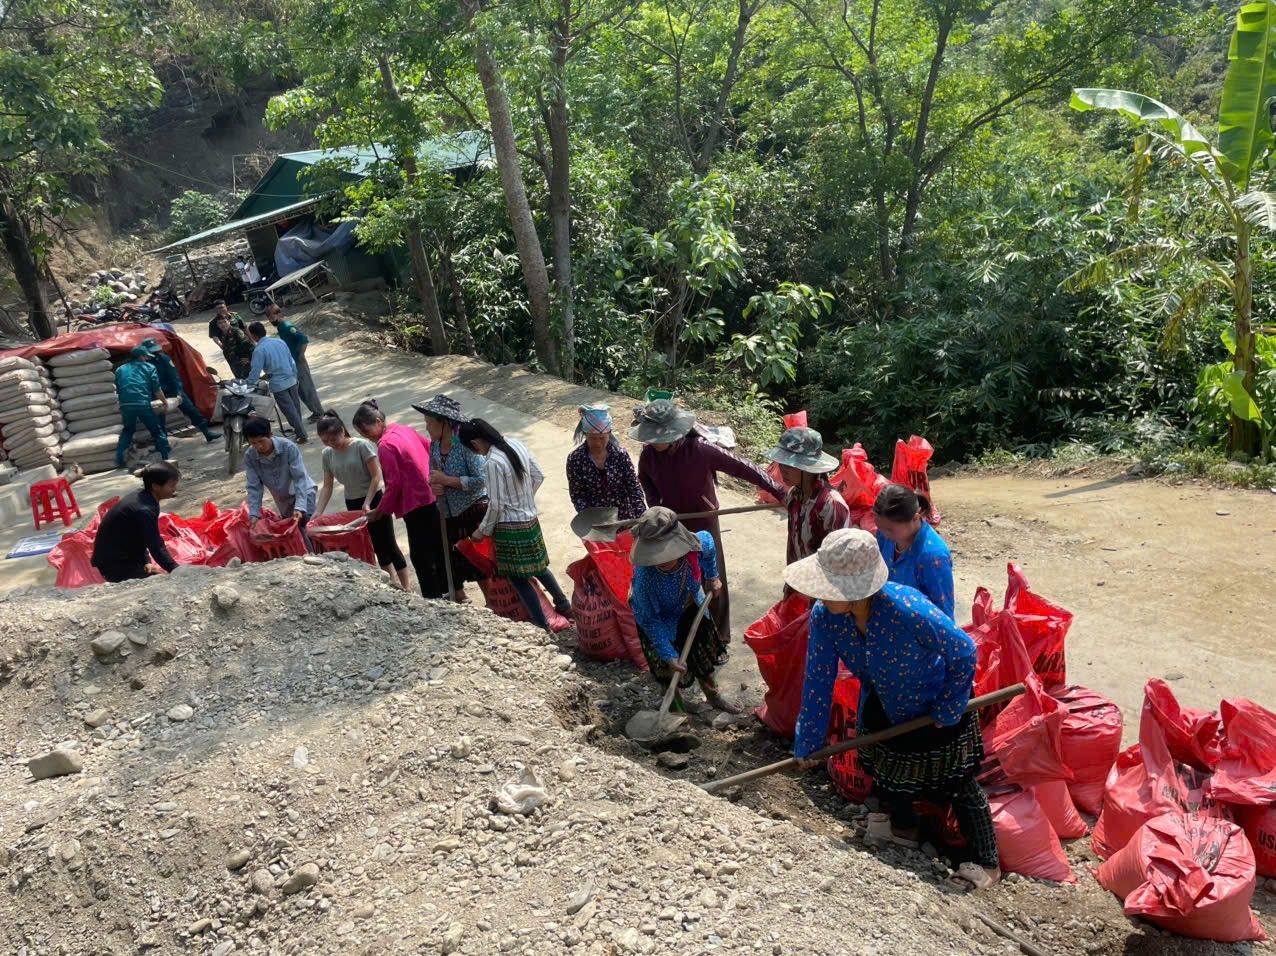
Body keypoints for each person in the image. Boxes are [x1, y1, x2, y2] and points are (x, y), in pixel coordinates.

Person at [787, 529, 998, 891]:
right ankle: (905, 831)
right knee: (888, 775)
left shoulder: (906, 609)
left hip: (936, 704)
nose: (819, 593)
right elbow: (818, 680)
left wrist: (949, 707)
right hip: (885, 703)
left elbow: (963, 651)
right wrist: (808, 741)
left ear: (856, 591)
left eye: (828, 586)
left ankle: (987, 862)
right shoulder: (825, 617)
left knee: (958, 784)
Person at [631, 399, 783, 649]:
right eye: (651, 438)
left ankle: (719, 635)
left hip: (703, 519)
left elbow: (743, 468)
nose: (655, 442)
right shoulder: (648, 455)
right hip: (672, 525)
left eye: (660, 437)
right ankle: (685, 635)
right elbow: (645, 479)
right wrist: (656, 502)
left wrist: (778, 491)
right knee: (680, 576)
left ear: (674, 431)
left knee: (712, 576)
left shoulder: (700, 449)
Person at [459, 418, 572, 630]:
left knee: (517, 578)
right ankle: (564, 605)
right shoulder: (516, 443)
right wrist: (525, 498)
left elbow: (497, 505)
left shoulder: (492, 462)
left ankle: (543, 625)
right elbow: (539, 475)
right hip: (529, 520)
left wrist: (481, 531)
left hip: (509, 527)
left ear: (475, 443)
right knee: (539, 567)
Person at [628, 507, 738, 713]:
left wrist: (712, 577)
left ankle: (713, 696)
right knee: (667, 667)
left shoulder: (695, 545)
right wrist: (669, 655)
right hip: (658, 620)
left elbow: (709, 542)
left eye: (667, 552)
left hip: (689, 606)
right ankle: (675, 707)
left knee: (701, 655)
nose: (662, 559)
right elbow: (650, 620)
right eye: (656, 554)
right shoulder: (644, 580)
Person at [353, 400, 450, 599]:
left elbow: (393, 484)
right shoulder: (404, 430)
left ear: (378, 421)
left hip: (415, 504)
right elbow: (430, 447)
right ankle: (449, 590)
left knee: (421, 556)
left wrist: (379, 511)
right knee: (438, 548)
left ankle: (433, 598)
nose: (366, 437)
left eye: (366, 431)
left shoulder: (386, 446)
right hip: (432, 497)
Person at [314, 409, 410, 589]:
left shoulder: (361, 446)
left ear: (342, 431)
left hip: (374, 500)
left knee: (388, 543)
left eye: (333, 439)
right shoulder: (327, 454)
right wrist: (318, 512)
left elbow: (376, 476)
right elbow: (327, 485)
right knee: (373, 545)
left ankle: (406, 585)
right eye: (325, 441)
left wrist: (368, 501)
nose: (331, 444)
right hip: (353, 503)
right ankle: (391, 583)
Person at [414, 394, 488, 602]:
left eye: (429, 423)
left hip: (472, 510)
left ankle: (493, 604)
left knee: (479, 561)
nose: (427, 428)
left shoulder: (465, 446)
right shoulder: (434, 446)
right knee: (455, 559)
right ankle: (459, 595)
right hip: (448, 511)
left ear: (444, 423)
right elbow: (433, 472)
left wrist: (448, 481)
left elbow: (481, 480)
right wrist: (434, 482)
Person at [764, 426, 850, 570]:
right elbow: (793, 544)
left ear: (807, 467)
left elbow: (838, 560)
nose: (782, 469)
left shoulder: (831, 505)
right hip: (798, 579)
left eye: (789, 465)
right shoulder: (794, 495)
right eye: (781, 463)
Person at [873, 483, 954, 620]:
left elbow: (943, 614)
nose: (883, 533)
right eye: (879, 526)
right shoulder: (885, 536)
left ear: (915, 518)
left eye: (890, 529)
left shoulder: (933, 557)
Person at [90, 461, 181, 582]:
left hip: (126, 555)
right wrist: (177, 570)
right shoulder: (144, 509)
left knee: (157, 574)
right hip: (115, 564)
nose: (174, 489)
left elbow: (140, 535)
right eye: (171, 485)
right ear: (155, 486)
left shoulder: (144, 496)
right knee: (162, 582)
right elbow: (156, 545)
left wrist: (145, 561)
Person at [566, 403, 646, 520]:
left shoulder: (620, 455)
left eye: (602, 438)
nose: (597, 443)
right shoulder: (575, 459)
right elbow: (577, 495)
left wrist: (640, 514)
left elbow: (633, 486)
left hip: (625, 516)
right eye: (592, 438)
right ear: (585, 435)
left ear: (609, 435)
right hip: (596, 520)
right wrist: (589, 518)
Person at [244, 416, 318, 538]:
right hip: (283, 501)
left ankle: (320, 555)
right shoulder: (250, 456)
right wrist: (254, 514)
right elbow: (254, 487)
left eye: (261, 441)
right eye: (253, 443)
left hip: (304, 494)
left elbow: (299, 479)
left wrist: (300, 506)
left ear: (270, 434)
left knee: (307, 528)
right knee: (292, 535)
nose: (258, 446)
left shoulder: (288, 448)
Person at [140, 339, 221, 444]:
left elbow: (174, 376)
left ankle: (206, 432)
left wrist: (179, 391)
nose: (155, 353)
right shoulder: (142, 364)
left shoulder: (164, 358)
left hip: (172, 390)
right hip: (156, 393)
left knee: (191, 410)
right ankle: (163, 442)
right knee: (158, 419)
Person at [246, 320, 308, 443]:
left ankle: (302, 434)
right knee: (295, 408)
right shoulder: (279, 341)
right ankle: (299, 430)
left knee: (290, 411)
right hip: (291, 378)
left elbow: (255, 370)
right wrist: (294, 374)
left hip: (279, 384)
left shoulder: (259, 350)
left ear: (253, 335)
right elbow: (291, 360)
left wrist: (249, 383)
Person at [114, 345, 172, 469]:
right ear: (141, 356)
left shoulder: (120, 369)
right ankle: (166, 457)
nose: (147, 359)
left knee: (128, 431)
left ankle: (119, 459)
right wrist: (164, 402)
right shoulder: (150, 367)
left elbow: (119, 388)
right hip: (142, 403)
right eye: (146, 356)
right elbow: (156, 389)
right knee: (156, 431)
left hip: (125, 405)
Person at [267, 304, 322, 420]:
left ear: (279, 314)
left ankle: (319, 412)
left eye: (272, 317)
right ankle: (315, 412)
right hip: (291, 362)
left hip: (298, 362)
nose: (272, 321)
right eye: (269, 319)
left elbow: (303, 339)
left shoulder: (287, 326)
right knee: (301, 390)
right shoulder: (281, 327)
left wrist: (301, 355)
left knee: (307, 388)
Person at [215, 313, 255, 380]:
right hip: (235, 366)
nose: (223, 324)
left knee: (250, 385)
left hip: (245, 366)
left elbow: (250, 346)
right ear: (217, 325)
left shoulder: (237, 332)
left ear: (229, 322)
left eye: (225, 322)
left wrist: (250, 359)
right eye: (220, 323)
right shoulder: (222, 335)